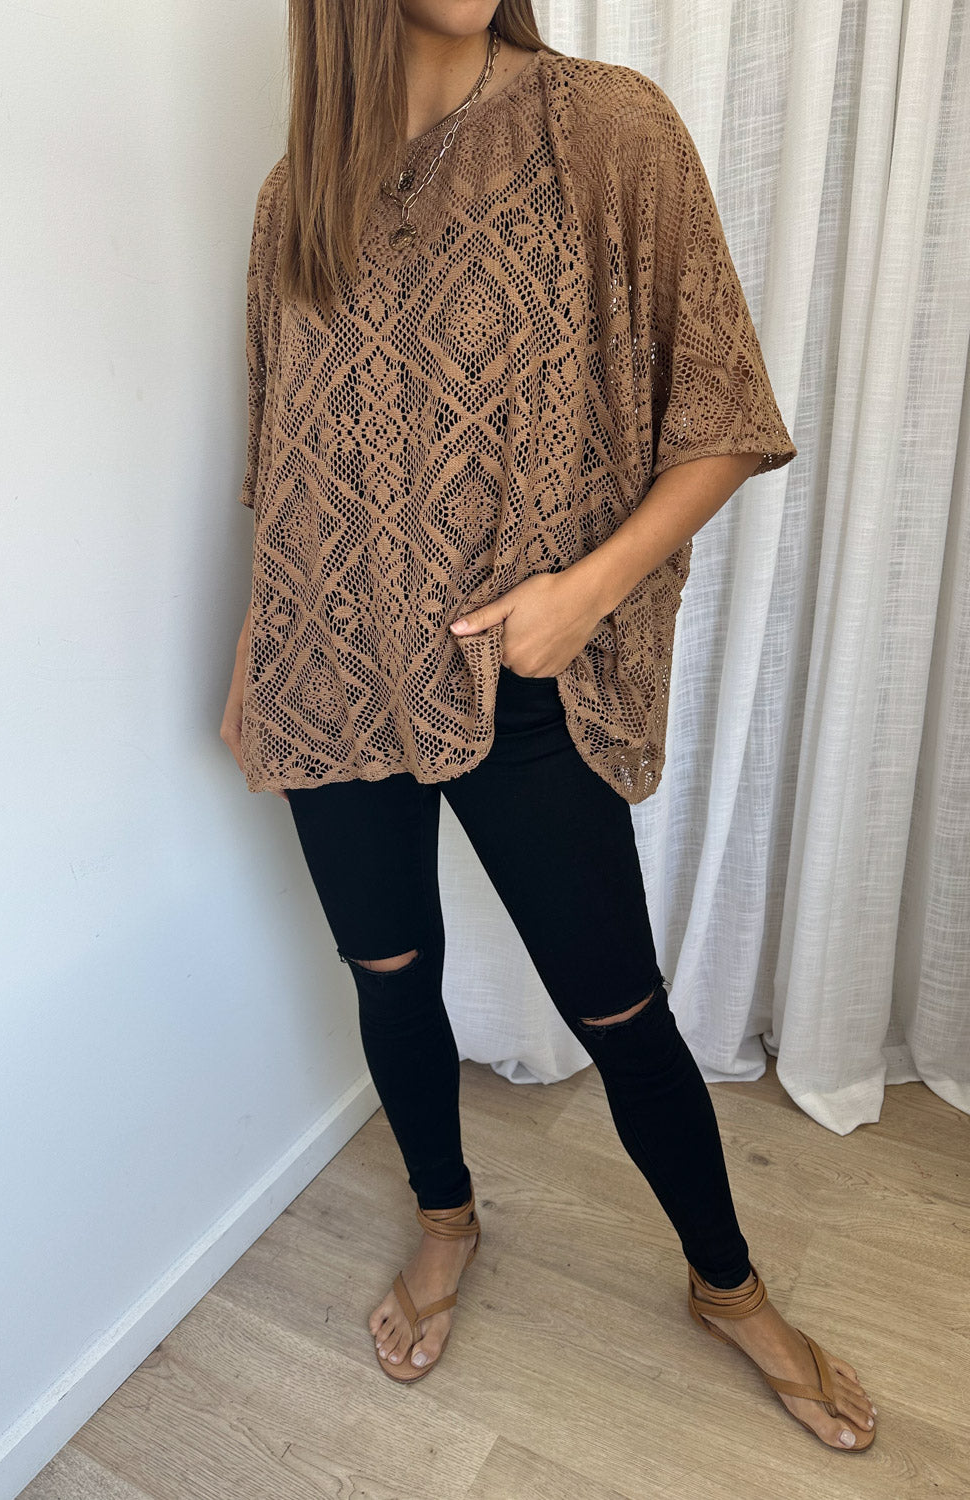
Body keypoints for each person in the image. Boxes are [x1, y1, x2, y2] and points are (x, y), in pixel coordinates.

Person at [221, 0, 877, 1453]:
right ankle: (445, 1219)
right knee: (391, 975)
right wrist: (258, 660)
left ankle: (728, 1284)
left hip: (525, 682)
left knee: (619, 1007)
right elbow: (285, 462)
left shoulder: (604, 127)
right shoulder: (295, 200)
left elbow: (724, 411)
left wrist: (586, 595)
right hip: (331, 668)